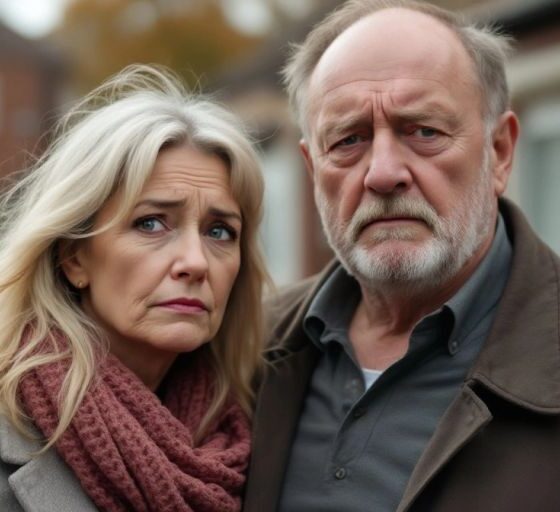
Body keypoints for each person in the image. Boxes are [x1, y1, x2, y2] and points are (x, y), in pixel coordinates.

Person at [243, 1, 560, 511]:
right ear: (311, 168)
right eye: (348, 140)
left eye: (424, 132)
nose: (383, 173)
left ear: (499, 151)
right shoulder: (241, 354)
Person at [0, 64, 269, 512]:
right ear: (73, 257)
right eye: (151, 223)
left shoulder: (249, 431)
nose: (195, 262)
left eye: (220, 231)